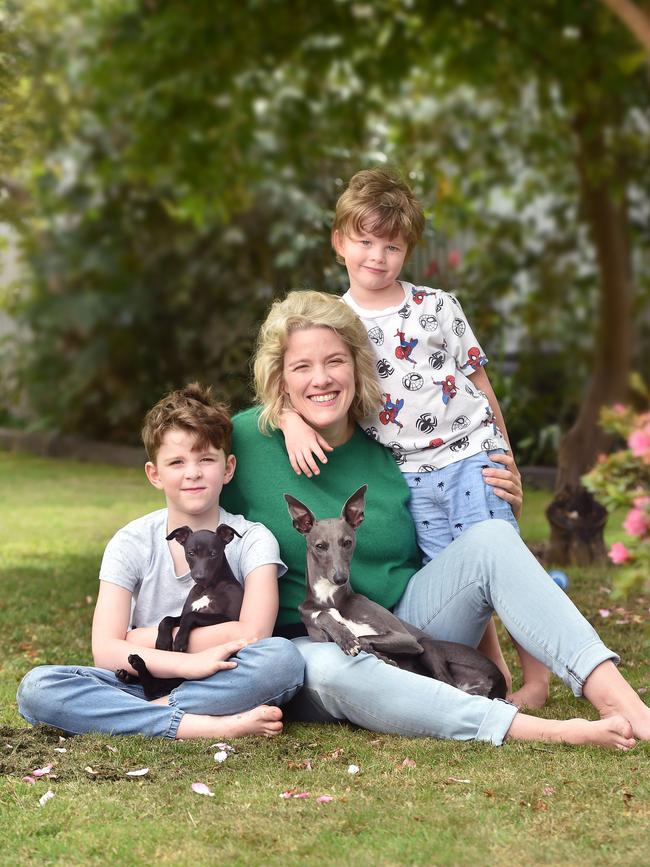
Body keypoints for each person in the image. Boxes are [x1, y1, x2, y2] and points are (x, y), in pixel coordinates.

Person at [221, 289, 650, 748]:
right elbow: (184, 494)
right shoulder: (246, 439)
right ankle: (549, 732)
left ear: (357, 366)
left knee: (489, 537)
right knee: (331, 667)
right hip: (312, 640)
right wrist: (283, 416)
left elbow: (451, 547)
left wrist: (504, 492)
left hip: (406, 628)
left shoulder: (390, 449)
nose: (321, 379)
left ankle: (621, 702)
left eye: (335, 361)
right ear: (279, 377)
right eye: (301, 367)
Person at [280, 168, 549, 708]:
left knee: (505, 560)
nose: (377, 256)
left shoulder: (438, 306)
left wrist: (507, 458)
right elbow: (297, 376)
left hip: (472, 454)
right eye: (365, 241)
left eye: (392, 246)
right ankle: (491, 669)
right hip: (409, 472)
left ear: (408, 250)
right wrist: (289, 419)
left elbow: (479, 382)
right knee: (454, 569)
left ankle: (537, 680)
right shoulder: (336, 322)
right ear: (339, 243)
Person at [16, 384, 304, 739]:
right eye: (177, 462)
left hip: (222, 677)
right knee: (38, 686)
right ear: (155, 474)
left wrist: (139, 638)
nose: (193, 473)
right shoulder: (130, 542)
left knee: (283, 659)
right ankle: (200, 726)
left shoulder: (252, 539)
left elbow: (253, 635)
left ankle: (143, 717)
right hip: (141, 680)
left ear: (228, 468)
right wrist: (188, 661)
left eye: (206, 459)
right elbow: (105, 651)